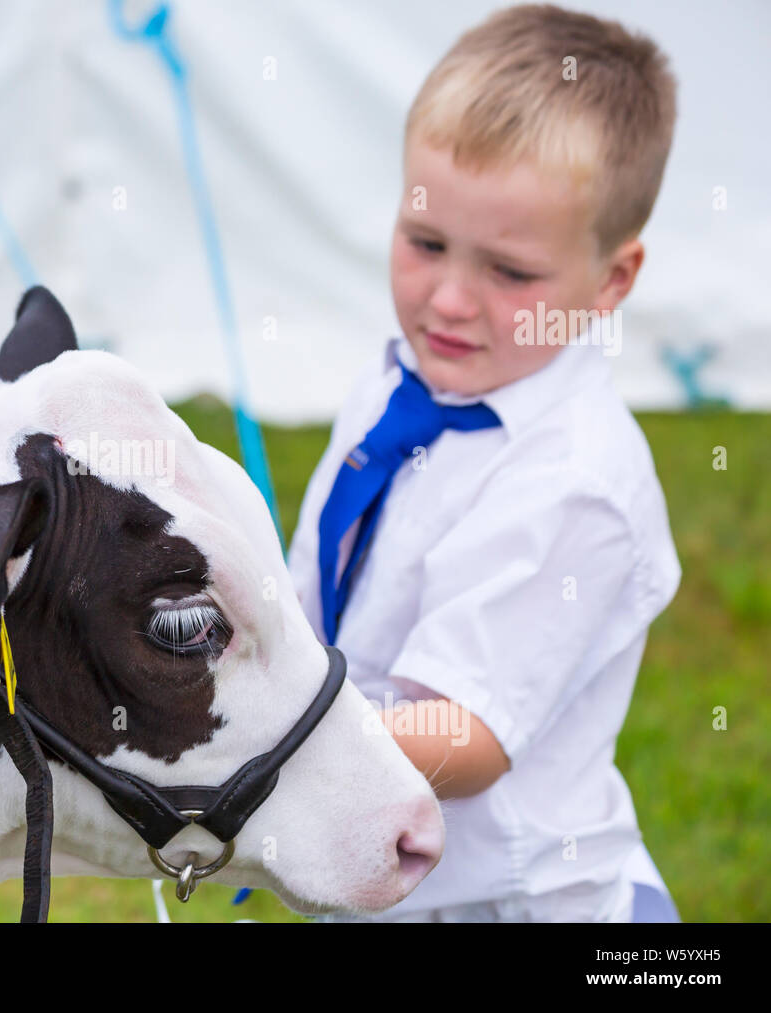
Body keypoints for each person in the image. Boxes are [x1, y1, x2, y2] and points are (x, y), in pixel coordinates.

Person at [287, 3, 682, 922]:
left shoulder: (576, 482)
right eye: (425, 245)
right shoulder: (401, 380)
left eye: (509, 272)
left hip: (524, 903)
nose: (450, 301)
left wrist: (281, 739)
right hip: (396, 882)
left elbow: (465, 736)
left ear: (612, 281)